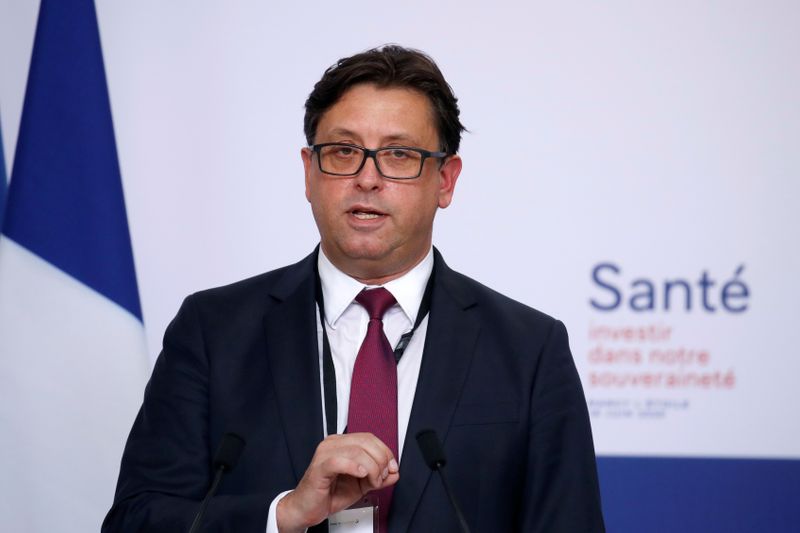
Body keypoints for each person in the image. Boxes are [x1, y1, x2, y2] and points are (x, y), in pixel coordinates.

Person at [103, 45, 605, 533]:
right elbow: (134, 521)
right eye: (343, 151)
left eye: (399, 154)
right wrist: (282, 516)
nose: (367, 178)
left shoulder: (528, 350)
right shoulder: (213, 331)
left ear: (446, 180)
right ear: (308, 171)